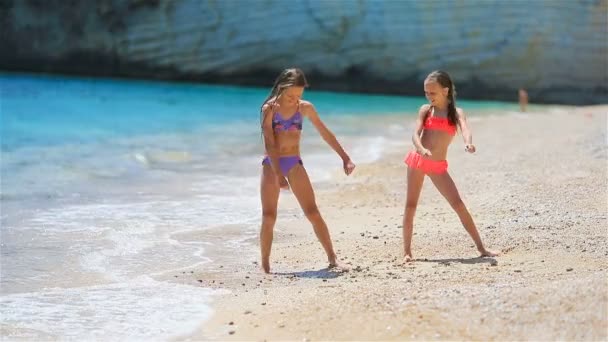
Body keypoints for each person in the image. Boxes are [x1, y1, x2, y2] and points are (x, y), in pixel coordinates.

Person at [259, 68, 355, 273]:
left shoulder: (305, 108)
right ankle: (266, 266)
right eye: (291, 95)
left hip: (294, 163)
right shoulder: (270, 109)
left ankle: (333, 258)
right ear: (281, 88)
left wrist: (345, 158)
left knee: (312, 212)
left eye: (299, 95)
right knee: (269, 216)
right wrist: (278, 174)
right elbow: (269, 142)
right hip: (272, 164)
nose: (295, 100)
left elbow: (325, 133)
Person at [402, 70, 499, 262]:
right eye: (426, 93)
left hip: (437, 166)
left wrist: (468, 143)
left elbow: (465, 129)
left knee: (458, 204)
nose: (429, 97)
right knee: (411, 205)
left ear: (445, 91)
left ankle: (482, 248)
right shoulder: (425, 110)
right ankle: (407, 252)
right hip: (419, 161)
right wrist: (420, 149)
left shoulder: (455, 113)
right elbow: (415, 134)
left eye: (433, 93)